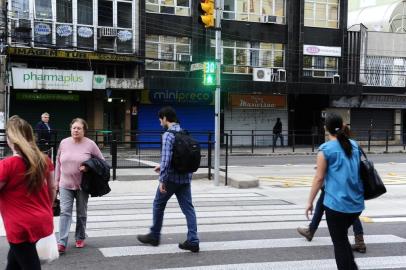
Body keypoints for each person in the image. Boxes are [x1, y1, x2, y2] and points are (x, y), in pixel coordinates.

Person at [305, 113, 364, 270]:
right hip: (356, 205)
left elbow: (319, 179)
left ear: (326, 128)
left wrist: (309, 202)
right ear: (343, 126)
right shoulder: (354, 145)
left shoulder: (325, 149)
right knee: (342, 240)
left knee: (340, 244)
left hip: (337, 206)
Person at [137, 106, 200, 252]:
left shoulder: (168, 135)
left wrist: (162, 180)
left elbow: (166, 160)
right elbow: (178, 157)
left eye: (160, 119)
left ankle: (154, 235)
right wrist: (162, 166)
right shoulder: (184, 132)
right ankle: (193, 240)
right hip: (185, 178)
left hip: (171, 179)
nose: (160, 122)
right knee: (188, 209)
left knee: (158, 204)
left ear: (165, 118)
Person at [0, 115, 56, 270]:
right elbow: (52, 187)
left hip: (20, 226)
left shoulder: (7, 165)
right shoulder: (44, 159)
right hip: (42, 219)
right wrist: (47, 208)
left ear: (10, 140)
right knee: (14, 263)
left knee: (29, 265)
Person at [56, 118, 104, 254]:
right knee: (65, 212)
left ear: (84, 130)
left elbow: (101, 162)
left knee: (81, 213)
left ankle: (80, 237)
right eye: (74, 128)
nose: (76, 130)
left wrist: (88, 167)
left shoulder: (90, 144)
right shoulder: (64, 143)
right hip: (65, 183)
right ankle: (62, 242)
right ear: (70, 129)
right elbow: (58, 162)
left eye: (79, 128)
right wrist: (56, 182)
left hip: (83, 185)